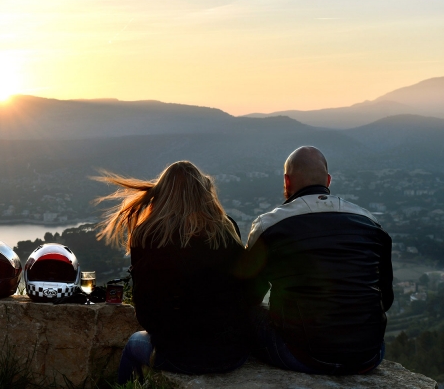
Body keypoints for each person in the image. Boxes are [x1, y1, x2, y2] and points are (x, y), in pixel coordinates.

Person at [94, 161, 263, 384]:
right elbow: (249, 291)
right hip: (233, 353)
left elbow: (146, 313)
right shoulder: (225, 229)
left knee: (134, 344)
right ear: (204, 193)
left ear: (162, 195)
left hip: (179, 355)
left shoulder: (148, 235)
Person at [243, 146, 394, 375]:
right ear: (328, 180)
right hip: (369, 354)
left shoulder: (270, 226)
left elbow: (248, 295)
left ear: (287, 181)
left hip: (302, 354)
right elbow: (386, 298)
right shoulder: (370, 223)